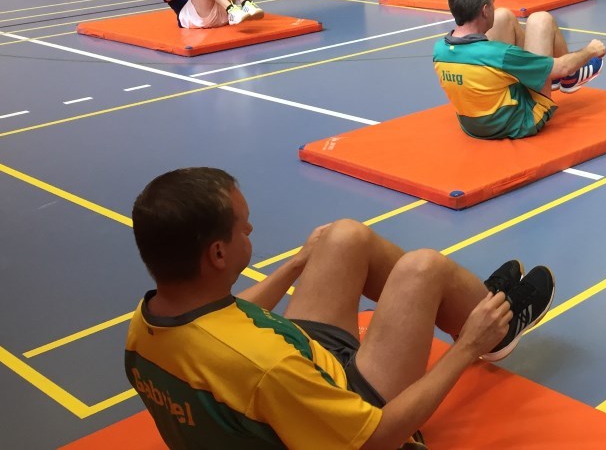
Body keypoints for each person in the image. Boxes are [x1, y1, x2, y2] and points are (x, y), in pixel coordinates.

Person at [125, 167, 555, 449]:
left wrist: (297, 264)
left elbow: (227, 315)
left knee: (344, 237)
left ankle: (477, 306)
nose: (251, 227)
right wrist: (466, 348)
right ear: (218, 254)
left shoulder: (146, 326)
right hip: (341, 409)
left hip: (304, 376)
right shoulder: (267, 370)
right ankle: (493, 330)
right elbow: (376, 438)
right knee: (423, 269)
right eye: (243, 227)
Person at [433, 0, 605, 140]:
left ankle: (543, 70)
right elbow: (562, 67)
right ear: (485, 10)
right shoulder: (499, 54)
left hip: (472, 126)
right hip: (519, 122)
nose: (494, 8)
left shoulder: (439, 49)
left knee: (503, 16)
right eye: (492, 3)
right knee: (540, 20)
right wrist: (591, 50)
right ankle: (570, 77)